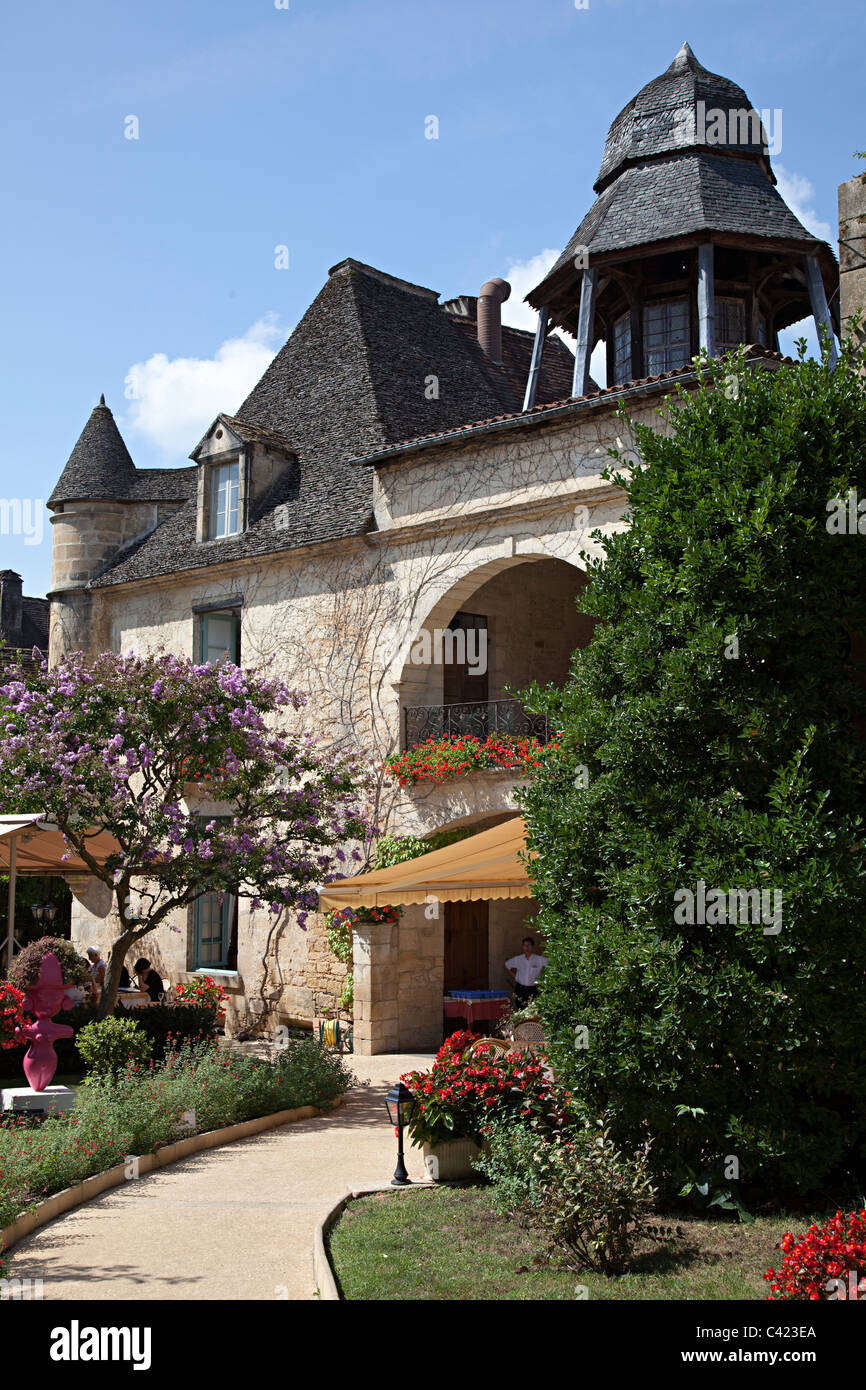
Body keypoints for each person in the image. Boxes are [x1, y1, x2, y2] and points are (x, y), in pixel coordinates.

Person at [505, 937, 548, 1005]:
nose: (527, 947)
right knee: (520, 1008)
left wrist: (542, 977)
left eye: (529, 945)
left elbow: (550, 965)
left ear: (532, 947)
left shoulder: (539, 959)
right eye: (525, 945)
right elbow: (507, 965)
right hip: (520, 988)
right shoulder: (518, 959)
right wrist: (515, 977)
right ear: (523, 947)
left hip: (532, 989)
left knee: (531, 1011)